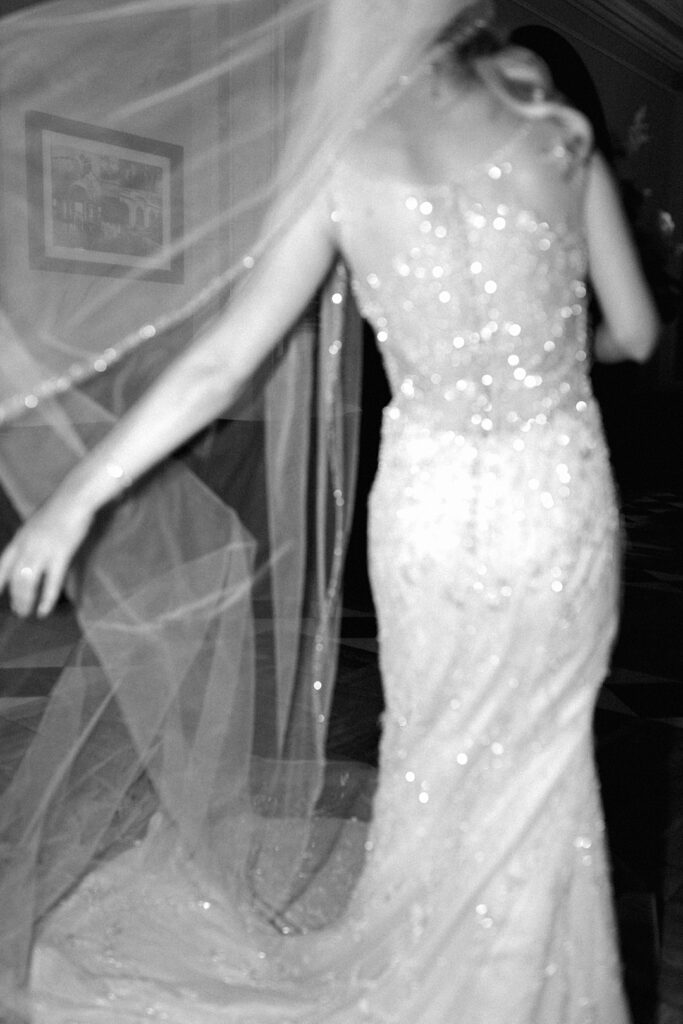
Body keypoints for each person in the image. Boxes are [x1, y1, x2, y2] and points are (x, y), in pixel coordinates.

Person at [0, 0, 659, 1020]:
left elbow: (219, 365)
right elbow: (636, 332)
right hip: (549, 498)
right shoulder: (554, 136)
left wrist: (71, 504)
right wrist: (553, 356)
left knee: (436, 745)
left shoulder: (342, 166)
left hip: (428, 510)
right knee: (541, 753)